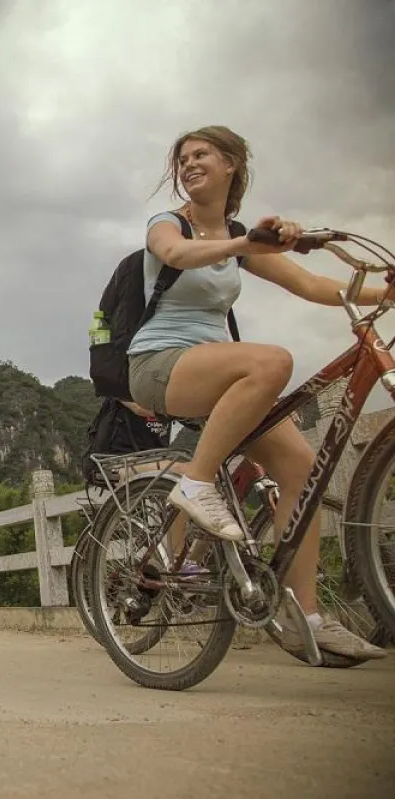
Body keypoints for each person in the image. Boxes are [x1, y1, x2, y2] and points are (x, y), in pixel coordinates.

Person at [125, 124, 387, 660]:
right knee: (274, 359)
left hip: (221, 373)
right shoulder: (169, 223)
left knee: (301, 471)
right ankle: (195, 485)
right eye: (183, 158)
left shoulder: (240, 237)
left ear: (231, 166)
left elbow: (315, 286)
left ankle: (306, 617)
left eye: (202, 155)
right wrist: (246, 242)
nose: (189, 164)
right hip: (159, 364)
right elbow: (174, 254)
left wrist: (385, 289)